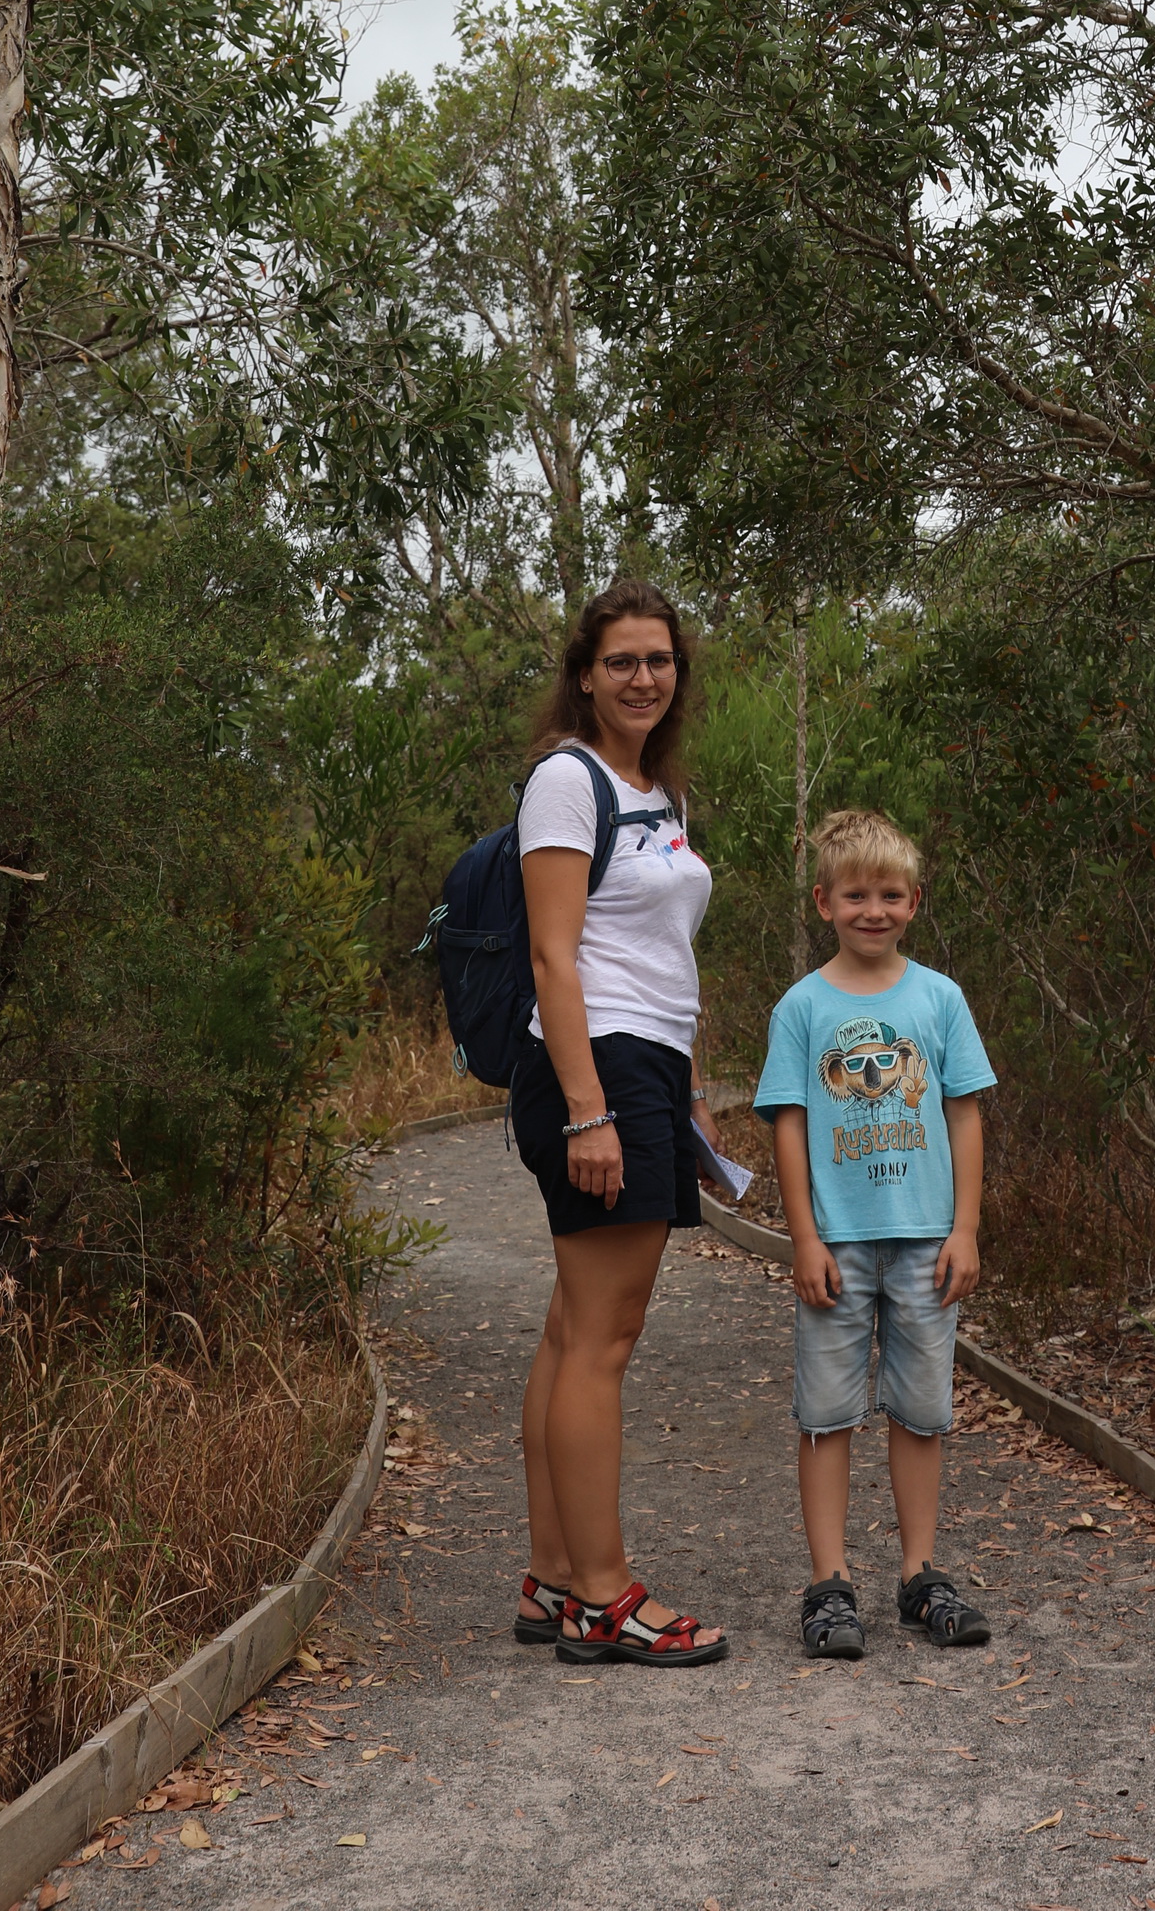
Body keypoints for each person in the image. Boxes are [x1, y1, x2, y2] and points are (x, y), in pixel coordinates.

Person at [509, 574, 734, 1667]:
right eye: (622, 661)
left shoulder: (655, 792)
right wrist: (589, 1114)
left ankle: (553, 1579)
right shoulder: (566, 780)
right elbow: (557, 955)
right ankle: (603, 1598)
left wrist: (682, 1084)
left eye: (659, 660)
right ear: (585, 674)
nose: (643, 677)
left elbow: (663, 955)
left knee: (570, 1330)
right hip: (595, 1071)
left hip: (643, 1066)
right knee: (605, 1340)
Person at [754, 807, 996, 1659]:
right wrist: (804, 1238)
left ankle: (921, 1575)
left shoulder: (940, 999)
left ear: (915, 900)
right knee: (827, 1413)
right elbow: (787, 1123)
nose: (873, 910)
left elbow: (963, 1114)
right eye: (855, 894)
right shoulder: (803, 1006)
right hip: (840, 1241)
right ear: (824, 902)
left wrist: (964, 1228)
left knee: (922, 1410)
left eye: (890, 894)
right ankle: (829, 1585)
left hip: (927, 1238)